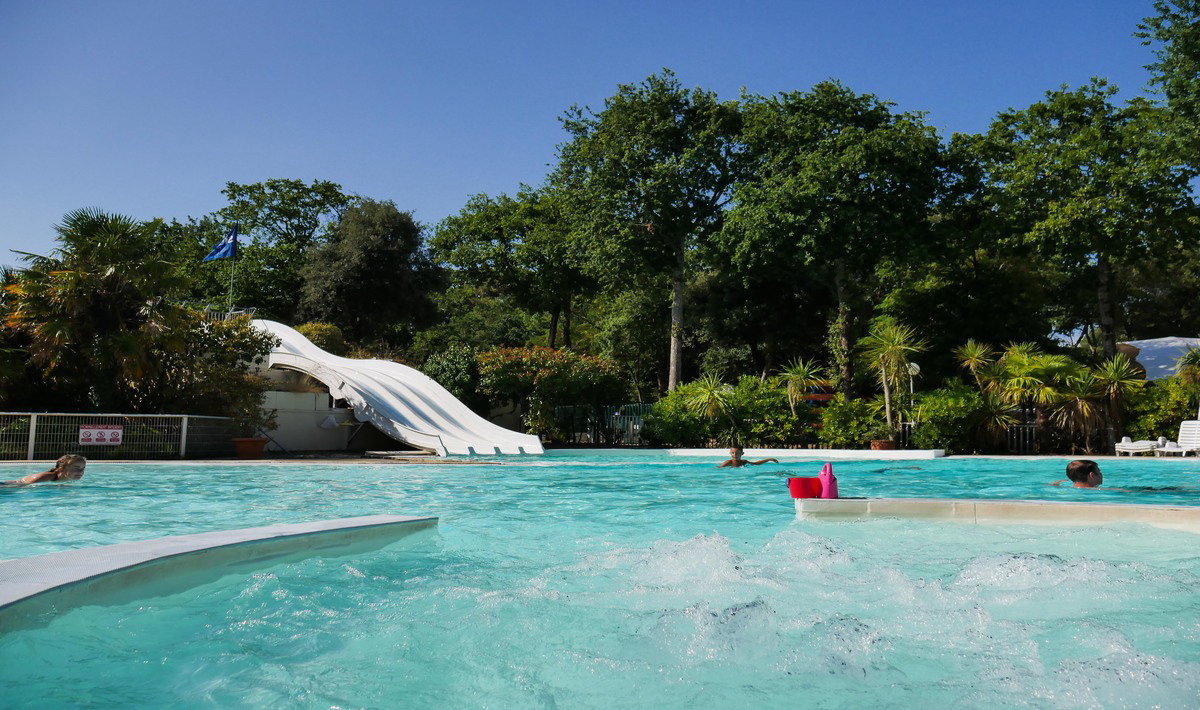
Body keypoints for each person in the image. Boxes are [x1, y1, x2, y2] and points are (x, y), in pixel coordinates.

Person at [3, 454, 87, 485]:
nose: (81, 471)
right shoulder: (44, 477)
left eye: (83, 468)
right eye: (76, 468)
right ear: (61, 469)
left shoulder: (64, 480)